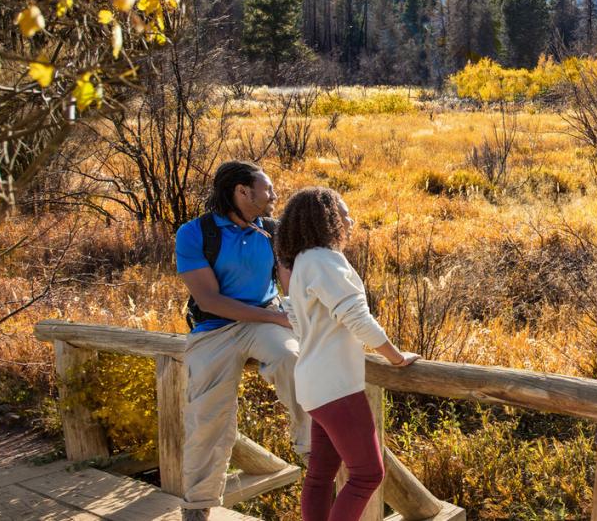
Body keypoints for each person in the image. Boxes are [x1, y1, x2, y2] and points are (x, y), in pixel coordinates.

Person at [176, 161, 310, 521]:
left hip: (263, 322)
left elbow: (290, 284)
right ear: (242, 192)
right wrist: (276, 317)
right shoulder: (194, 233)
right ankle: (197, 503)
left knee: (291, 359)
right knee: (206, 414)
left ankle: (311, 448)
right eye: (267, 189)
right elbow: (210, 301)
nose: (274, 195)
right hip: (214, 329)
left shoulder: (273, 231)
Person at [276, 187, 420, 521]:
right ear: (325, 218)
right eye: (343, 213)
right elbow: (357, 319)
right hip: (336, 386)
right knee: (368, 474)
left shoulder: (302, 263)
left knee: (320, 475)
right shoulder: (325, 260)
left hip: (313, 385)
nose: (350, 220)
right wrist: (396, 357)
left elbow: (297, 322)